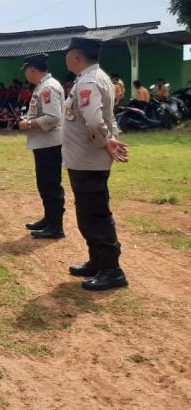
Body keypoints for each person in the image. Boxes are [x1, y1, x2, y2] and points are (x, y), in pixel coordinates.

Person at [62, 36, 129, 291]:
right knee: (88, 212)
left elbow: (93, 120)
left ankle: (112, 270)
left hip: (89, 159)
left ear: (77, 56)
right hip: (85, 158)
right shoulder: (92, 77)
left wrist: (105, 142)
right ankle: (98, 262)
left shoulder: (89, 80)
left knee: (95, 215)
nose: (66, 57)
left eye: (68, 53)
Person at [17, 54, 66, 240]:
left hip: (50, 144)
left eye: (26, 70)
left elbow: (53, 118)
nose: (26, 74)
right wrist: (28, 119)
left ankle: (56, 227)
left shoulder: (49, 88)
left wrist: (28, 124)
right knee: (44, 184)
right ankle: (49, 219)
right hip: (44, 143)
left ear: (33, 69)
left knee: (51, 185)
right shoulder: (43, 87)